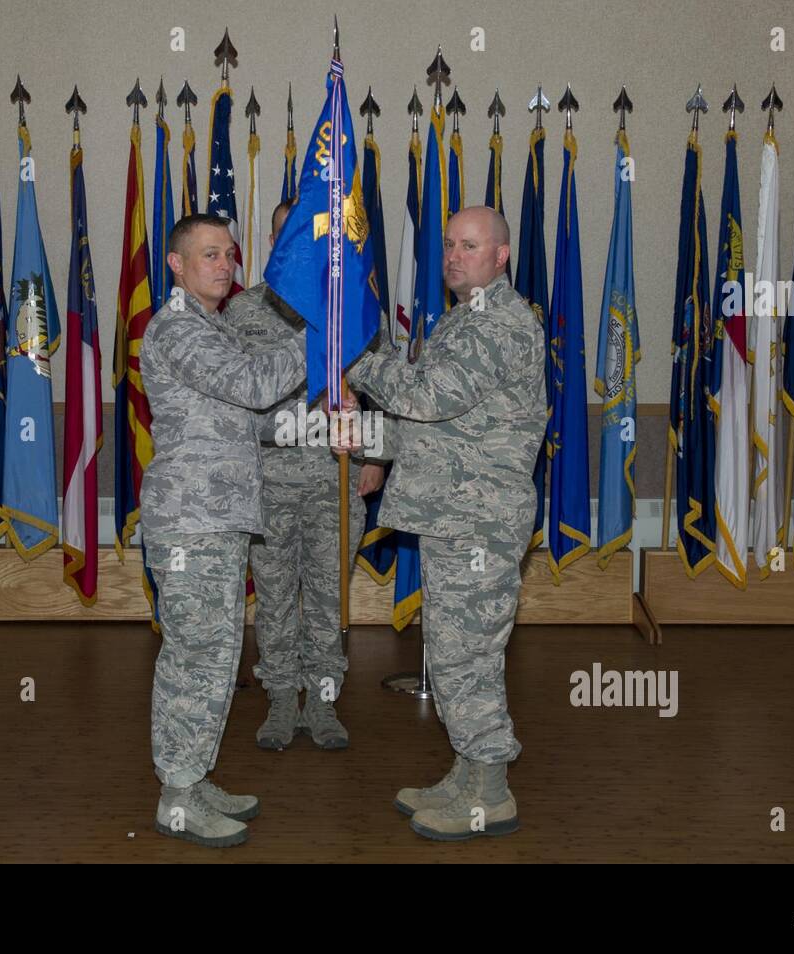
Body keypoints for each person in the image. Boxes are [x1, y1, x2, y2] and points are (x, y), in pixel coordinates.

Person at [343, 205, 547, 841]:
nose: (455, 255)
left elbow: (426, 398)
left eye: (471, 245)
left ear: (501, 256)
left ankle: (490, 791)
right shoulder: (465, 322)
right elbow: (432, 427)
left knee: (467, 655)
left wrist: (353, 353)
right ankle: (466, 772)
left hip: (478, 522)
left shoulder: (500, 322)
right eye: (450, 244)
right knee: (456, 649)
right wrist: (369, 438)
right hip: (456, 515)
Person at [139, 213, 307, 848]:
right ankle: (177, 796)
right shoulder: (180, 328)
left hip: (217, 518)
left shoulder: (212, 329)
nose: (224, 263)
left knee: (215, 657)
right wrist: (319, 338)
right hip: (191, 523)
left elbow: (244, 419)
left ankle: (194, 776)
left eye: (230, 253)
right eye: (208, 254)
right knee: (195, 657)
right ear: (177, 266)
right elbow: (253, 386)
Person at [226, 200, 386, 751]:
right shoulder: (243, 310)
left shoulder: (353, 308)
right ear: (272, 239)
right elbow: (229, 399)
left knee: (326, 596)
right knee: (273, 596)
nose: (294, 243)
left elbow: (381, 391)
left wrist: (376, 459)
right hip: (268, 477)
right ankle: (277, 701)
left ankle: (321, 701)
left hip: (334, 477)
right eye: (283, 234)